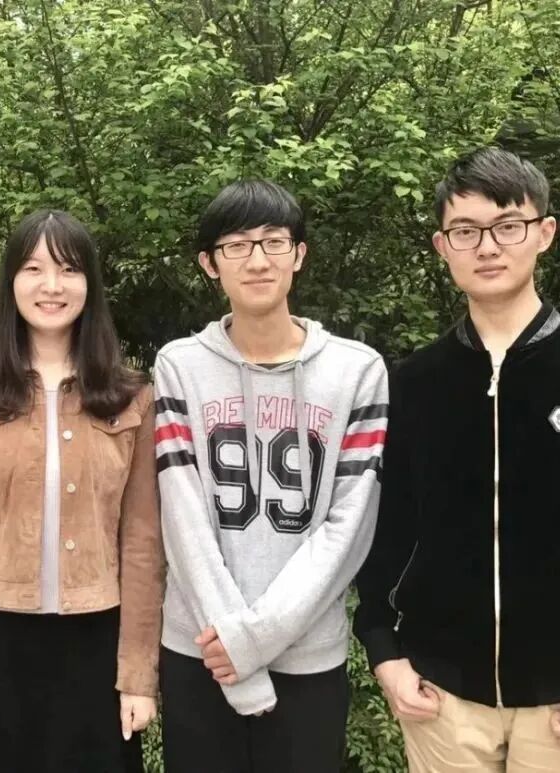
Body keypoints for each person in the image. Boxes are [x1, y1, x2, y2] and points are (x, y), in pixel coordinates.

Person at [353, 146, 560, 772]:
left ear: (544, 232)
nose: (487, 247)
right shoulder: (415, 382)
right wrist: (384, 651)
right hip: (439, 699)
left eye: (507, 225)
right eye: (466, 231)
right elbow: (389, 530)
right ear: (442, 246)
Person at [154, 180, 388, 772]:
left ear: (299, 254)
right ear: (210, 264)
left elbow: (349, 526)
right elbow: (182, 517)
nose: (257, 260)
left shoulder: (357, 371)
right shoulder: (179, 365)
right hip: (200, 652)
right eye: (236, 245)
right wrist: (233, 647)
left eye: (273, 242)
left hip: (309, 657)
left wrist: (256, 639)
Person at [0, 209, 164, 772]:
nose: (51, 286)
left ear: (90, 285)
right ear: (11, 282)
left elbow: (142, 543)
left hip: (97, 642)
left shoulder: (130, 396)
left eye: (68, 269)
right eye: (34, 269)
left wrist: (138, 675)